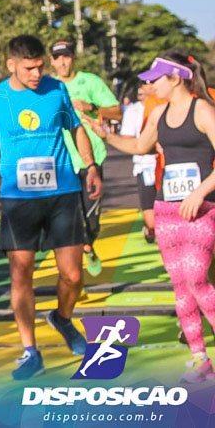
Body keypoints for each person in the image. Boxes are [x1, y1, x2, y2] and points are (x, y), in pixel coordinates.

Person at [0, 35, 103, 380]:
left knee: (73, 275)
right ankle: (29, 351)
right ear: (11, 65)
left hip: (62, 192)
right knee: (21, 273)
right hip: (18, 200)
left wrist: (90, 166)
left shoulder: (56, 90)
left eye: (40, 67)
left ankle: (62, 318)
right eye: (29, 68)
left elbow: (76, 129)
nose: (37, 74)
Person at [86, 51, 215, 383]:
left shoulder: (202, 109)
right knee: (181, 287)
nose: (150, 83)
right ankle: (200, 359)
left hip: (202, 208)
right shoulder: (158, 113)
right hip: (166, 209)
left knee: (198, 278)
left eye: (156, 78)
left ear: (176, 78)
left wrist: (198, 193)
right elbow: (141, 146)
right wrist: (106, 136)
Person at [50, 39, 121, 276]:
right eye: (58, 57)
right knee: (67, 218)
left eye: (66, 56)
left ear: (74, 59)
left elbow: (117, 112)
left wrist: (91, 106)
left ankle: (88, 245)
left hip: (92, 159)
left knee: (91, 220)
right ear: (52, 61)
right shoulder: (48, 87)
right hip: (61, 161)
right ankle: (71, 271)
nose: (62, 62)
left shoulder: (90, 81)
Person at [121, 83, 158, 242]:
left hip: (169, 165)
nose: (145, 88)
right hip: (146, 166)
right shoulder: (133, 110)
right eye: (143, 85)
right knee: (152, 221)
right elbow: (127, 138)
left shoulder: (167, 104)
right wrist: (146, 145)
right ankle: (151, 228)